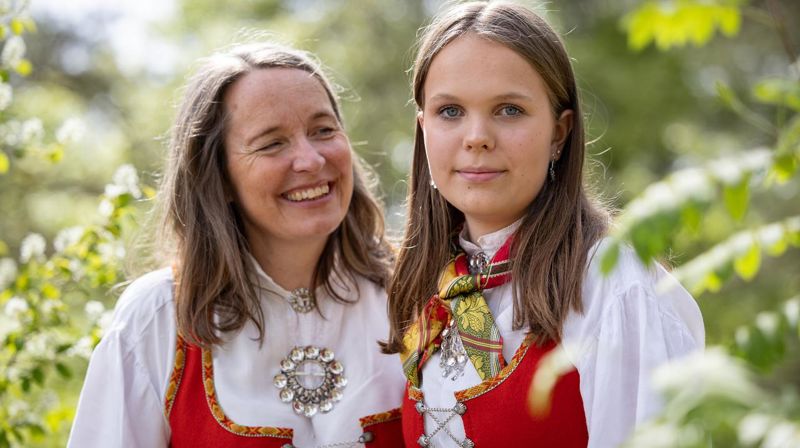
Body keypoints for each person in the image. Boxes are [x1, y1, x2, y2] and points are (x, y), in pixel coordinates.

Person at [383, 2, 705, 447]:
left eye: (509, 110)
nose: (476, 136)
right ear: (423, 129)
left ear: (559, 131)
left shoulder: (612, 283)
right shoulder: (427, 287)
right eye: (450, 111)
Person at [68, 42, 406, 448]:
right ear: (220, 178)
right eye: (272, 143)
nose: (311, 160)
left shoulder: (414, 291)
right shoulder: (157, 318)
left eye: (323, 130)